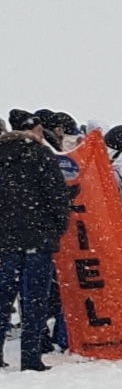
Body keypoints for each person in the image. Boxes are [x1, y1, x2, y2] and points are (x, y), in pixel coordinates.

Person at [0, 123, 71, 371]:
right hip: (38, 240)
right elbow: (57, 195)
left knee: (2, 299)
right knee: (35, 301)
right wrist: (56, 229)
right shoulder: (41, 155)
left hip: (5, 241)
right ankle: (30, 357)